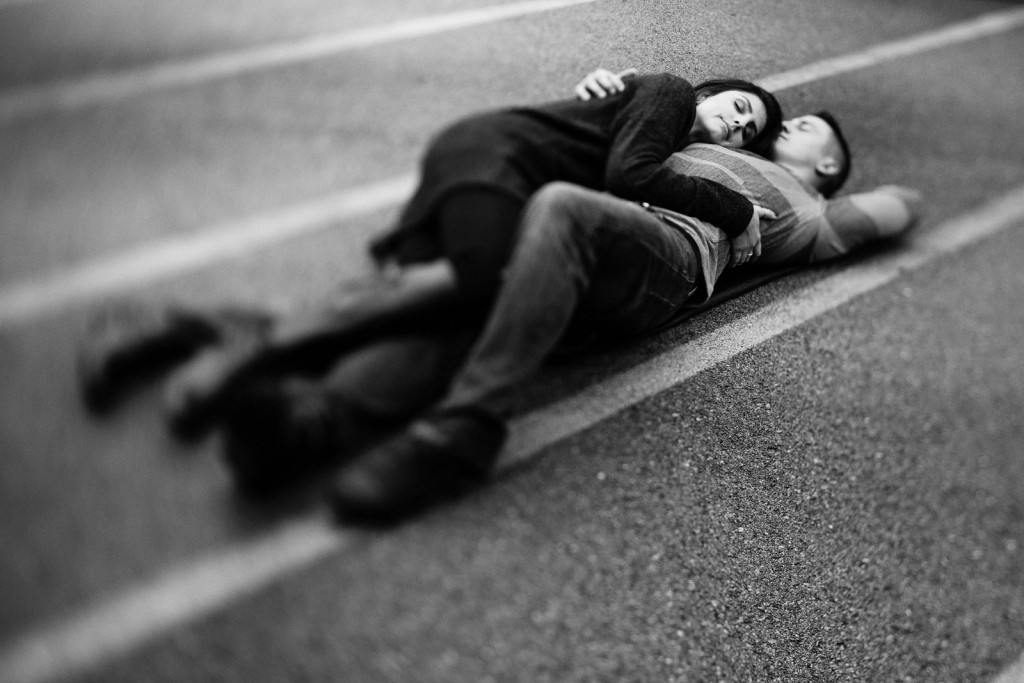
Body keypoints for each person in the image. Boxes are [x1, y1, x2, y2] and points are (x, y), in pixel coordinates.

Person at [318, 72, 923, 523]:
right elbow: (626, 149)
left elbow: (901, 205)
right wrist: (610, 92)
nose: (779, 127)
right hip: (581, 229)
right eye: (756, 122)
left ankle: (464, 429)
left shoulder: (813, 215)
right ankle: (317, 421)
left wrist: (821, 197)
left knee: (562, 207)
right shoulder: (712, 143)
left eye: (808, 130)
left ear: (829, 166)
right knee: (484, 288)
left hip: (665, 253)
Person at [80, 70, 782, 431]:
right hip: (493, 165)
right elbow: (629, 173)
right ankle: (243, 358)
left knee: (407, 303)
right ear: (711, 91)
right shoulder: (668, 94)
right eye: (738, 107)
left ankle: (173, 330)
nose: (736, 126)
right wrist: (736, 209)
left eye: (747, 132)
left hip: (485, 167)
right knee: (469, 290)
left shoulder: (656, 127)